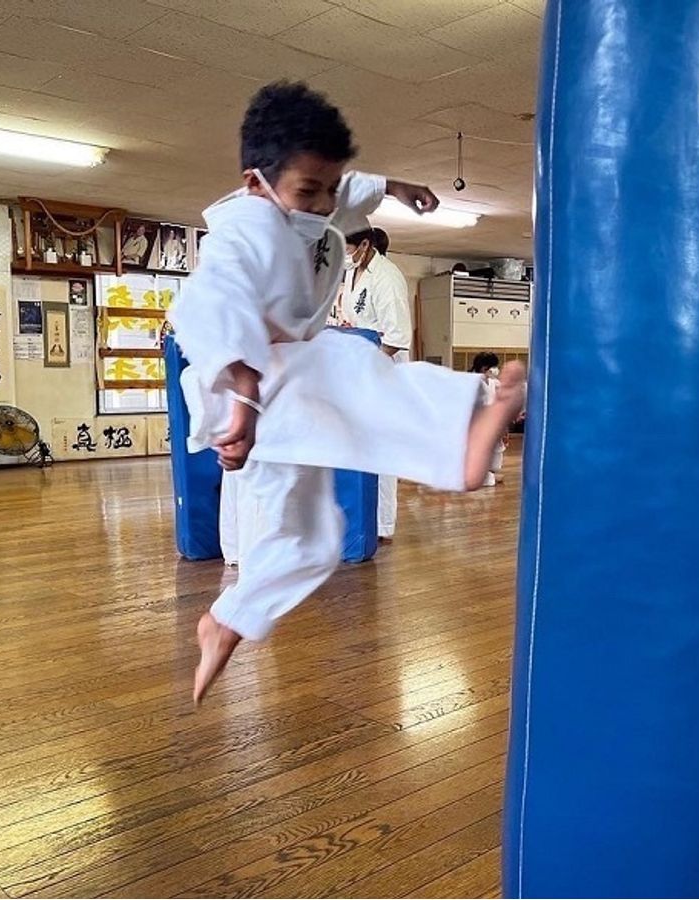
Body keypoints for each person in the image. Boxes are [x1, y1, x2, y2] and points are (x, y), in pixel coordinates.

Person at [169, 81, 526, 704]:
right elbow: (204, 303)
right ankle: (467, 428)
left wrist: (395, 187)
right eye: (309, 191)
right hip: (250, 389)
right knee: (354, 367)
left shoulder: (311, 206)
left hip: (282, 403)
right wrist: (245, 393)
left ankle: (226, 620)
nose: (323, 203)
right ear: (255, 182)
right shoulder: (241, 232)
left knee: (315, 539)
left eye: (329, 189)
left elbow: (348, 188)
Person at [342, 225, 413, 541]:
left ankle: (382, 524)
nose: (345, 253)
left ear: (365, 244)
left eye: (347, 246)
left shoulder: (387, 276)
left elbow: (397, 335)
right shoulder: (353, 272)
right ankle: (360, 516)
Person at [471, 352, 509, 487]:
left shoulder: (494, 383)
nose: (496, 369)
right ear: (484, 367)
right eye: (493, 366)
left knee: (497, 449)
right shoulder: (474, 382)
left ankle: (491, 473)